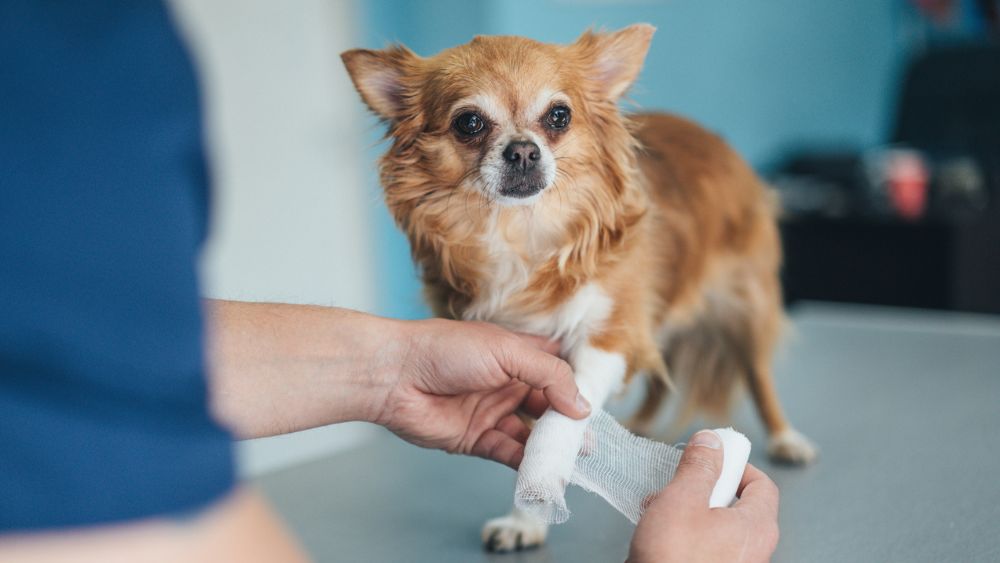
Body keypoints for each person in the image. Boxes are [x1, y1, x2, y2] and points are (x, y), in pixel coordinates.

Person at [0, 2, 779, 561]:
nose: (521, 147)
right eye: (473, 124)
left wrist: (388, 371)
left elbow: (97, 351)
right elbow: (80, 397)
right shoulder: (71, 55)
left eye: (552, 120)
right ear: (414, 124)